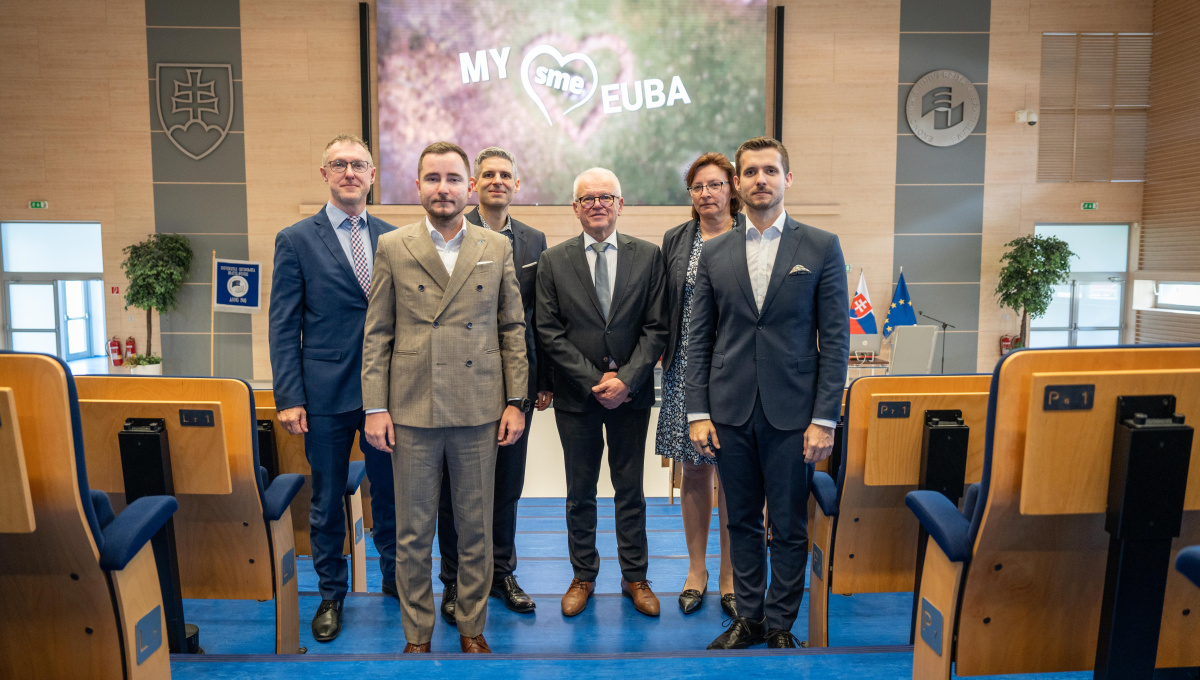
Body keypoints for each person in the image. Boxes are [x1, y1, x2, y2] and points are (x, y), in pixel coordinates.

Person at [361, 141, 528, 654]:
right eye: (432, 178)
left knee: (476, 530)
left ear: (469, 187)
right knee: (414, 532)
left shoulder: (495, 247)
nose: (443, 188)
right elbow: (378, 333)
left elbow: (512, 327)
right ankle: (417, 634)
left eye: (453, 179)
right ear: (417, 186)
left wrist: (516, 400)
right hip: (411, 408)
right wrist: (375, 406)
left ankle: (473, 627)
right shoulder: (393, 246)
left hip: (479, 407)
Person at [686, 136, 849, 649]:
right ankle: (750, 618)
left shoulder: (821, 246)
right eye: (751, 172)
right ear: (738, 183)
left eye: (770, 171)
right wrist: (697, 411)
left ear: (787, 179)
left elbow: (836, 337)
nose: (761, 180)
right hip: (730, 410)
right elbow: (699, 338)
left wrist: (825, 418)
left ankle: (780, 623)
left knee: (788, 524)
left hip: (793, 413)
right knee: (740, 521)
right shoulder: (714, 252)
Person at [268, 133, 398, 643]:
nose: (349, 172)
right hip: (322, 396)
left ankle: (394, 583)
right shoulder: (296, 239)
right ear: (324, 173)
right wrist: (290, 396)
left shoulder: (394, 238)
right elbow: (283, 325)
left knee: (389, 496)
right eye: (339, 164)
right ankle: (329, 595)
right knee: (325, 502)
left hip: (385, 396)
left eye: (358, 164)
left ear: (372, 175)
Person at [535, 167, 669, 618]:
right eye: (587, 198)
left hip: (630, 396)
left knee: (630, 488)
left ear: (620, 204)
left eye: (605, 197)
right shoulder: (554, 261)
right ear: (575, 207)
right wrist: (594, 381)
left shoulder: (649, 257)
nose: (597, 204)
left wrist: (626, 379)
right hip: (578, 398)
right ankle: (583, 576)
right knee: (580, 492)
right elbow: (549, 332)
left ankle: (635, 577)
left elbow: (656, 328)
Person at [437, 147, 550, 623]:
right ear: (473, 186)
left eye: (506, 174)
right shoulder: (454, 234)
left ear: (517, 184)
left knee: (507, 484)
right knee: (451, 488)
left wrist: (536, 384)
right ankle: (453, 581)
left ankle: (502, 572)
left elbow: (536, 319)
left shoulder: (534, 240)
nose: (497, 181)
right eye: (488, 175)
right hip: (458, 383)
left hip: (513, 386)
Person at [656, 152, 743, 616]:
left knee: (734, 476)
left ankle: (730, 575)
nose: (706, 194)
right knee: (693, 471)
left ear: (732, 188)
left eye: (714, 185)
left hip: (738, 372)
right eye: (697, 187)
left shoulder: (751, 235)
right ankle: (696, 570)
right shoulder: (677, 240)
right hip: (684, 372)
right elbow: (660, 307)